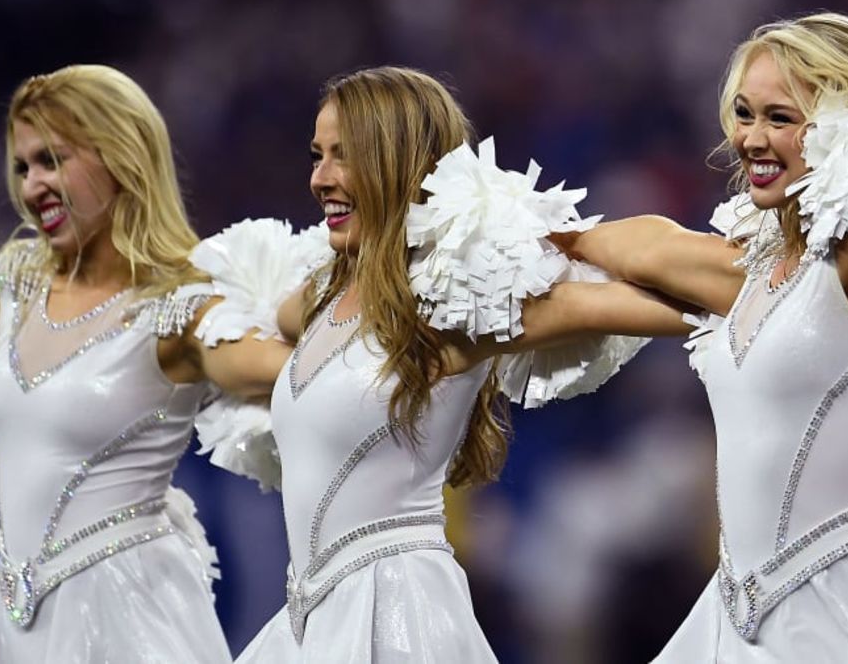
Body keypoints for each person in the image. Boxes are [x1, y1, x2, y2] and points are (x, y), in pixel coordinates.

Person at [561, 13, 848, 661]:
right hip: (731, 624)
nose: (753, 139)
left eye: (781, 117)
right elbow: (632, 249)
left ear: (842, 126)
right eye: (744, 114)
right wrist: (542, 238)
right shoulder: (742, 270)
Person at [231, 66, 688, 662]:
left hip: (401, 622)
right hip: (307, 624)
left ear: (398, 161)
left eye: (343, 156)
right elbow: (246, 322)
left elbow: (643, 303)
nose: (320, 178)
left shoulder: (448, 307)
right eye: (317, 156)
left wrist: (562, 241)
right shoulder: (322, 295)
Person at [0, 65, 292, 664]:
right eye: (23, 166)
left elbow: (275, 369)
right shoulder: (19, 287)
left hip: (130, 624)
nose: (32, 186)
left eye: (52, 160)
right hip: (17, 608)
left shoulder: (176, 309)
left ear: (121, 157)